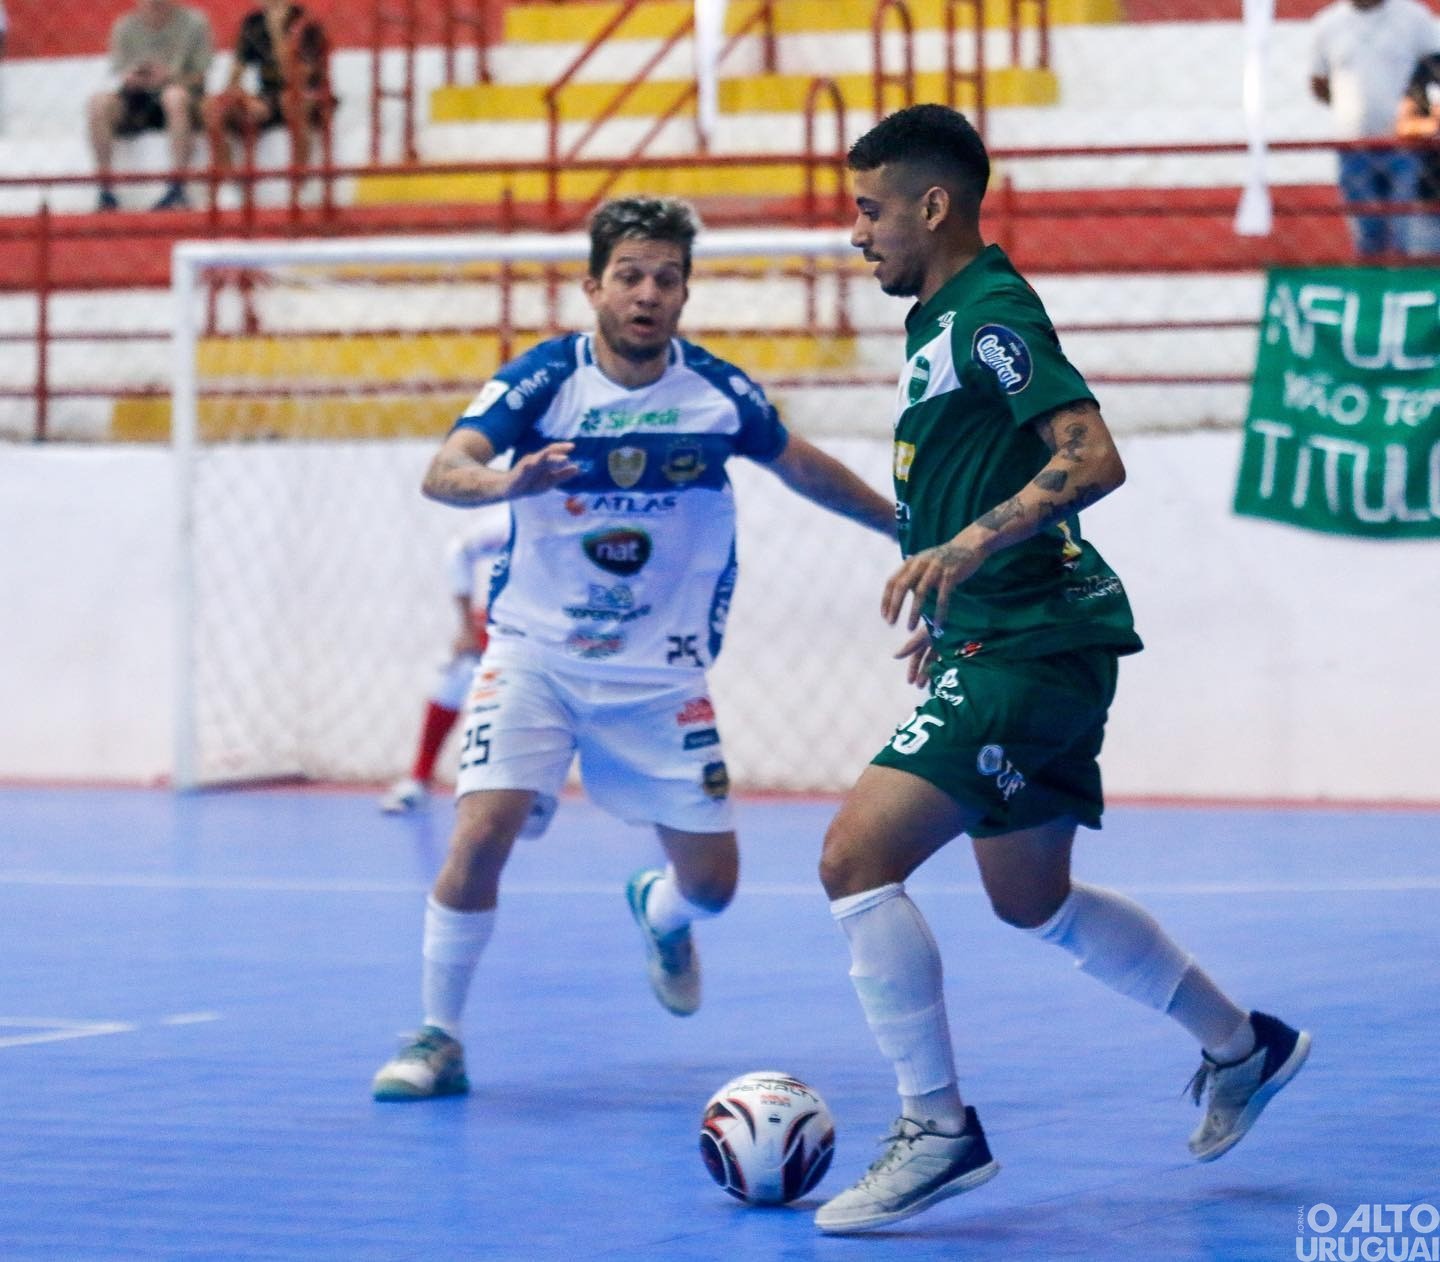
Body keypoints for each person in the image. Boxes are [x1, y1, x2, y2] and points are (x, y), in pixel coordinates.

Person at [811, 104, 1312, 1235]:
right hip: (1018, 633)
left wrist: (964, 550)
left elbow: (1092, 455)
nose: (857, 234)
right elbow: (978, 472)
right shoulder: (937, 318)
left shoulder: (989, 309)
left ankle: (937, 1129)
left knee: (853, 855)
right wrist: (955, 593)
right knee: (1027, 896)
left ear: (933, 207)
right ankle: (1245, 1044)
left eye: (869, 209)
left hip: (1034, 646)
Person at [370, 195, 898, 1101]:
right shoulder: (544, 383)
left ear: (685, 292)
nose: (647, 294)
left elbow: (800, 465)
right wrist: (511, 477)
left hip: (660, 678)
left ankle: (658, 911)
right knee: (480, 834)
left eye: (666, 277)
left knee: (715, 888)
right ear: (592, 288)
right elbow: (441, 471)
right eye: (629, 277)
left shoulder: (717, 394)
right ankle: (439, 1036)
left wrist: (904, 526)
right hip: (535, 655)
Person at [379, 507, 556, 840]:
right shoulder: (511, 520)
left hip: (564, 632)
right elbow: (458, 550)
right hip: (507, 625)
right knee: (457, 677)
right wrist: (464, 625)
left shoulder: (588, 515)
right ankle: (418, 779)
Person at [1310, 0, 1440, 257]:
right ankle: (1375, 293)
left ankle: (1402, 292)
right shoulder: (1329, 24)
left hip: (1406, 147)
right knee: (1368, 234)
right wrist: (1353, 108)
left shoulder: (1413, 18)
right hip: (1353, 148)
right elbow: (1319, 82)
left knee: (1407, 233)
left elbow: (1435, 67)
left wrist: (1416, 111)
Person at [87, 0, 213, 212]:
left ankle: (177, 186)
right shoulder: (125, 26)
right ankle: (105, 189)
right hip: (137, 97)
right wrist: (134, 77)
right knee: (98, 103)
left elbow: (199, 77)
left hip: (179, 94)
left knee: (174, 97)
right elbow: (121, 72)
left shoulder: (194, 23)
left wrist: (168, 77)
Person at [202, 0, 334, 184]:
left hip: (307, 94)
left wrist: (277, 31)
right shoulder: (253, 23)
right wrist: (244, 99)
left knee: (291, 101)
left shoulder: (306, 24)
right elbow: (234, 79)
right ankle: (233, 182)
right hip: (269, 96)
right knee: (212, 107)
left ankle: (299, 179)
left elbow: (295, 79)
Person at [1396, 47, 1440, 255]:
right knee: (1423, 276)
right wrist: (1433, 125)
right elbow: (1403, 126)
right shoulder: (1430, 66)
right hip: (1431, 198)